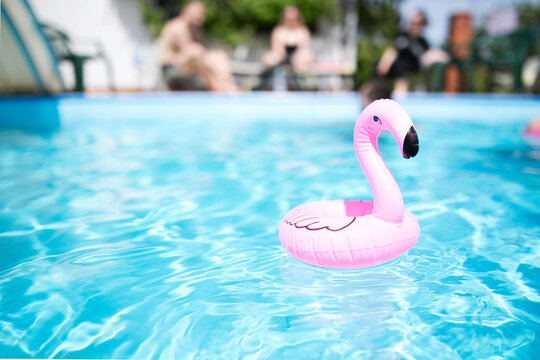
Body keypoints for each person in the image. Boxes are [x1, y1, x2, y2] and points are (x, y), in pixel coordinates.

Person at [159, 1, 238, 92]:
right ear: (186, 11)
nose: (200, 16)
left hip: (192, 65)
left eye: (202, 13)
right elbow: (187, 53)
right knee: (194, 52)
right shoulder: (176, 27)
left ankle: (229, 85)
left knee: (219, 55)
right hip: (170, 68)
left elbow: (205, 53)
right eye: (197, 13)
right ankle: (216, 88)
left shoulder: (195, 30)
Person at [376, 11, 430, 95]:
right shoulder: (402, 36)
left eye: (417, 23)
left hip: (414, 75)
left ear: (423, 25)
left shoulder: (423, 43)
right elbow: (393, 51)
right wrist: (385, 62)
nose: (413, 26)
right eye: (411, 23)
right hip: (398, 74)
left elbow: (428, 58)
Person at [262, 6, 314, 74]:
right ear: (284, 18)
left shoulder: (303, 31)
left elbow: (305, 48)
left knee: (307, 57)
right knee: (268, 58)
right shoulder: (278, 30)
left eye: (293, 19)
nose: (291, 21)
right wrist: (282, 55)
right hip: (281, 56)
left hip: (298, 58)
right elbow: (275, 49)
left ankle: (302, 79)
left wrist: (296, 58)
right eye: (288, 19)